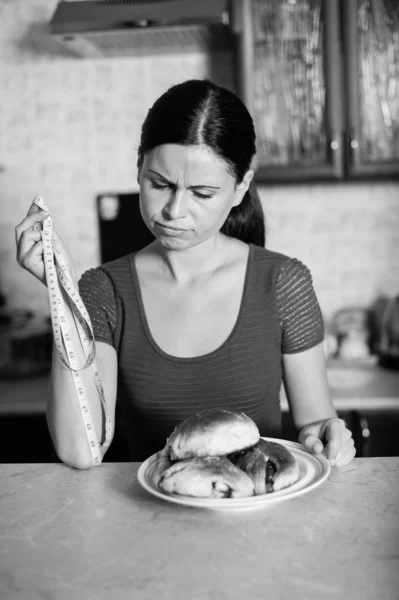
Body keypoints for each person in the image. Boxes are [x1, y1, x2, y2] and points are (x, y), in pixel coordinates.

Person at [15, 79, 356, 469]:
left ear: (241, 187)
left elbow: (314, 423)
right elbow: (81, 451)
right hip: (146, 522)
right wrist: (62, 296)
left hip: (262, 520)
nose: (174, 211)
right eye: (159, 184)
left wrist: (327, 435)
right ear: (138, 167)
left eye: (202, 193)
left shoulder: (283, 283)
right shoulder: (104, 290)